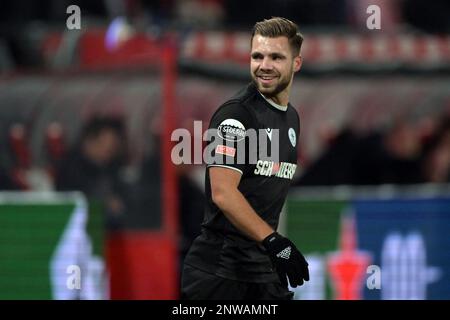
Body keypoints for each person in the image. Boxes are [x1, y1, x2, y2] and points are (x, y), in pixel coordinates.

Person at [181, 17, 309, 300]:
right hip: (220, 275)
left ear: (296, 63)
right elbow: (223, 193)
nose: (264, 65)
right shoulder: (234, 116)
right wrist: (274, 241)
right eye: (257, 56)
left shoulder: (292, 119)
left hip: (261, 273)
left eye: (276, 57)